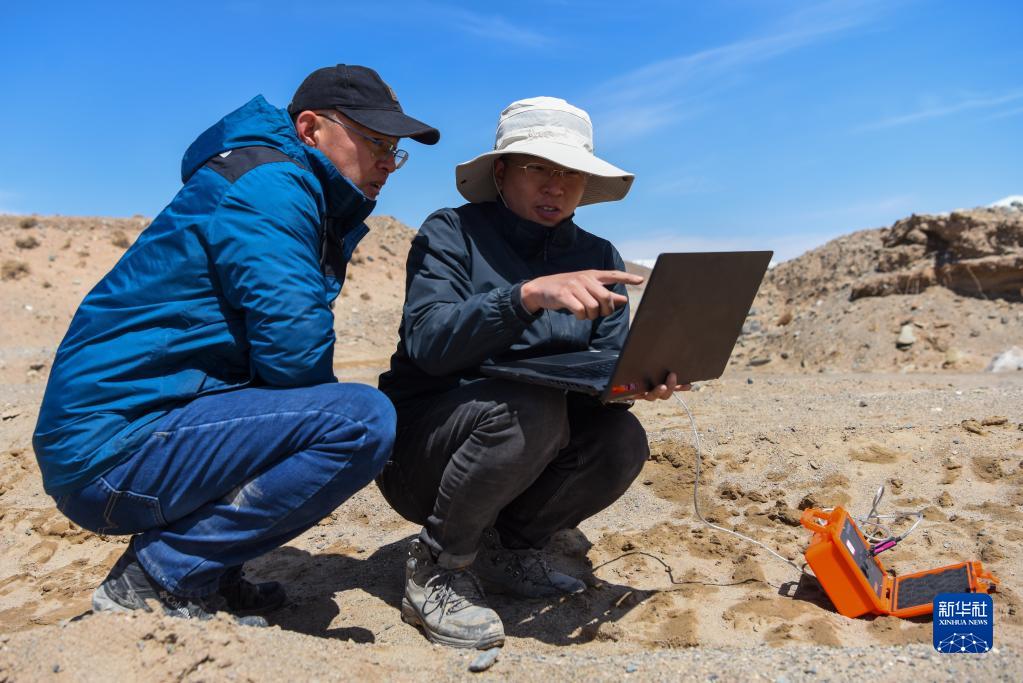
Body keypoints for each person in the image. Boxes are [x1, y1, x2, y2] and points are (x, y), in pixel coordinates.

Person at [32, 65, 439, 623]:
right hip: (110, 450)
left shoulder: (270, 178)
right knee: (359, 422)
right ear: (310, 128)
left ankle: (209, 574)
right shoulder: (272, 186)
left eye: (395, 149)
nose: (389, 162)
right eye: (375, 142)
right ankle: (159, 575)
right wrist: (312, 427)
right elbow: (293, 348)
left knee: (309, 414)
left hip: (115, 436)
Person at [376, 97, 686, 649]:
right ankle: (437, 569)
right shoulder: (451, 232)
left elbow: (601, 369)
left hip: (529, 448)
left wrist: (632, 384)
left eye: (571, 174)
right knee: (530, 409)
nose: (556, 187)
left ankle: (508, 551)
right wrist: (526, 296)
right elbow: (429, 343)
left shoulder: (598, 255)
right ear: (501, 172)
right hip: (424, 456)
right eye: (539, 167)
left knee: (621, 438)